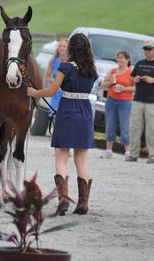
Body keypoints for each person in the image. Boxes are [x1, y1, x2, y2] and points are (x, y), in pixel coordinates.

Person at [27, 33, 97, 216]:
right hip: (85, 112)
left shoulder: (66, 67)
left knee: (61, 158)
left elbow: (51, 91)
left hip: (67, 111)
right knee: (81, 160)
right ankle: (83, 204)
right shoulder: (92, 69)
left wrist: (34, 92)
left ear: (72, 48)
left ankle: (64, 200)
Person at [126, 40, 154, 164]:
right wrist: (134, 79)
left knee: (153, 129)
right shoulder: (140, 64)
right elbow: (131, 78)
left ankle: (153, 156)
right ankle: (133, 154)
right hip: (138, 101)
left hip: (153, 103)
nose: (147, 51)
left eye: (150, 49)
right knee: (134, 128)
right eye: (145, 49)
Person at [100, 51, 135, 160]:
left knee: (125, 126)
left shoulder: (131, 72)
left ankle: (128, 152)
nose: (120, 60)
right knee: (110, 125)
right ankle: (109, 150)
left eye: (122, 58)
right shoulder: (112, 71)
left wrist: (124, 88)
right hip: (111, 100)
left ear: (127, 60)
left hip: (125, 102)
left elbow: (136, 88)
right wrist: (110, 82)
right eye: (118, 58)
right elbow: (103, 84)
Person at [45, 38, 69, 117]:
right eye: (60, 46)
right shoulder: (53, 61)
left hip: (66, 95)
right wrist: (54, 82)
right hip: (56, 94)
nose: (61, 48)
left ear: (68, 48)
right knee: (54, 116)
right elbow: (47, 78)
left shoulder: (70, 62)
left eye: (64, 46)